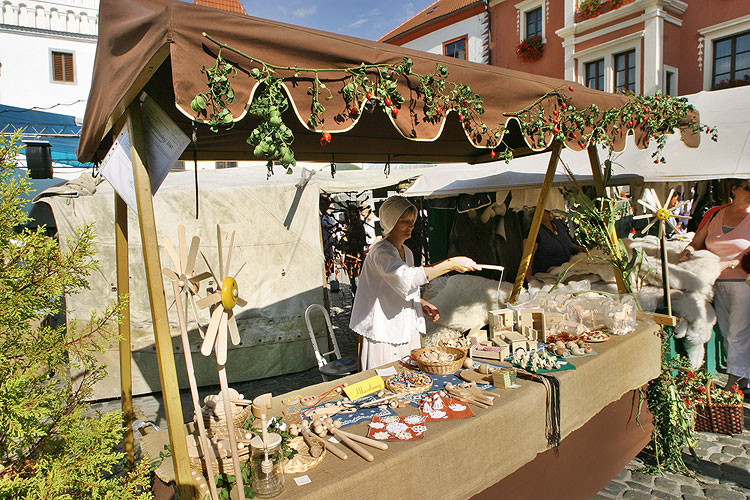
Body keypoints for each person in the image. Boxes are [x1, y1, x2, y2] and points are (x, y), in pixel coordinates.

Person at [349, 195, 480, 370]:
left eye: (412, 220)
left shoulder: (407, 252)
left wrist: (421, 302)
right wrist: (451, 264)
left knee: (408, 376)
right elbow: (407, 277)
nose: (411, 225)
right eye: (404, 221)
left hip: (403, 327)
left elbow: (401, 287)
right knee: (387, 378)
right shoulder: (381, 252)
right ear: (390, 222)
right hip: (384, 331)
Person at [679, 179, 750, 391]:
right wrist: (689, 251)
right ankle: (744, 378)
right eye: (747, 187)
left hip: (744, 284)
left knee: (738, 333)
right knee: (727, 332)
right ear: (734, 190)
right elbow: (696, 241)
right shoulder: (715, 214)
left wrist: (736, 262)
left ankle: (731, 383)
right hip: (714, 283)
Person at [526, 210, 585, 279]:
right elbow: (528, 257)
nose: (550, 213)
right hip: (549, 273)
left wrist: (578, 248)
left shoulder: (557, 223)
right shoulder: (534, 232)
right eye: (547, 211)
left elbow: (564, 241)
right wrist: (528, 276)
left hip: (567, 268)